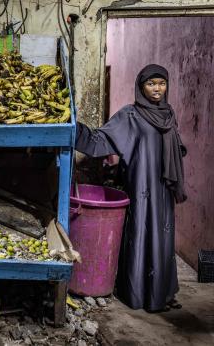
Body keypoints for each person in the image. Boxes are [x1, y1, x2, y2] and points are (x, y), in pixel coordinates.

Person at [75, 64, 187, 312]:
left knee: (164, 237)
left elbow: (175, 145)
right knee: (143, 232)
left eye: (161, 83)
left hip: (164, 187)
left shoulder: (169, 113)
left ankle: (163, 293)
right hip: (142, 186)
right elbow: (101, 139)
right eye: (151, 84)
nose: (157, 89)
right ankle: (140, 295)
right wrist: (74, 128)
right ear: (141, 87)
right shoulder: (130, 115)